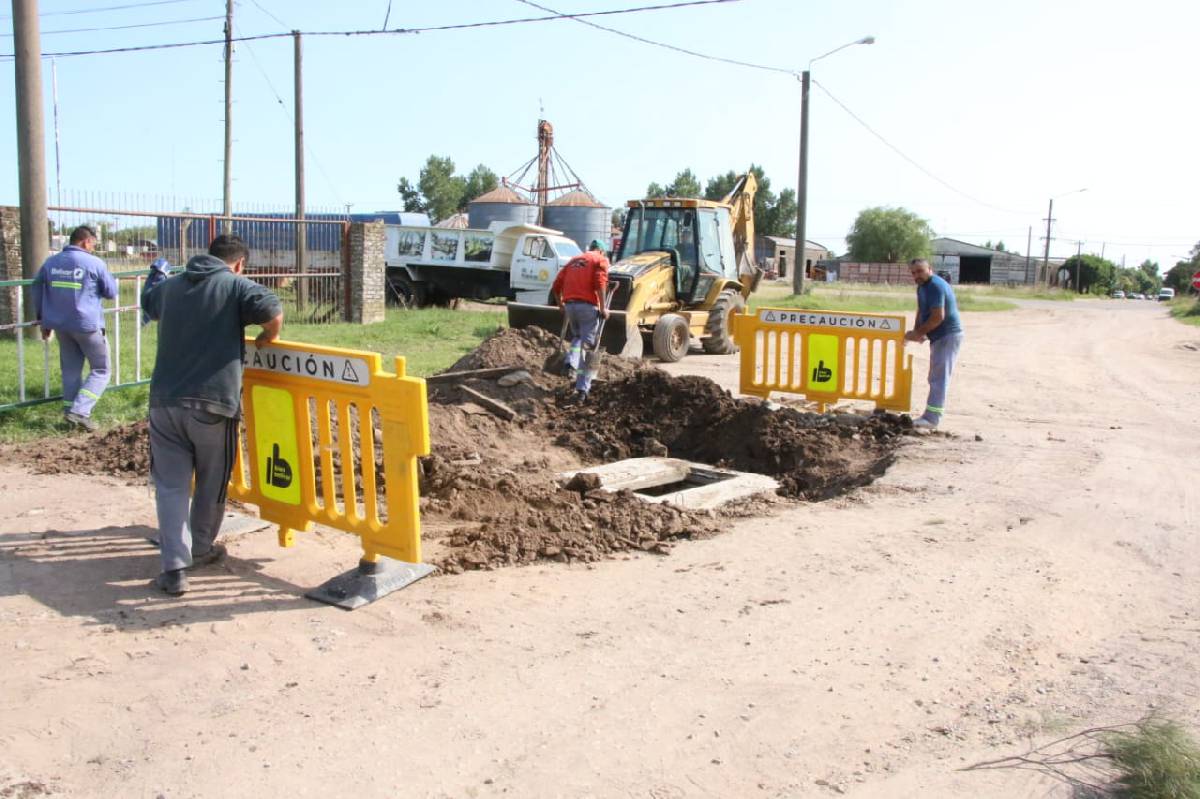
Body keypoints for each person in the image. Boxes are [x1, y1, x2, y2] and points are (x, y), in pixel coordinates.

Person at [141, 234, 283, 596]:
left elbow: (148, 303)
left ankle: (173, 568)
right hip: (212, 405)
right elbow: (273, 310)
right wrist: (269, 335)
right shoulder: (235, 285)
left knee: (171, 486)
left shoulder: (171, 287)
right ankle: (201, 548)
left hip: (164, 402)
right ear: (238, 264)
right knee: (211, 480)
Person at [30, 225, 117, 432]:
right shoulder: (94, 263)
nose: (93, 248)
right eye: (93, 244)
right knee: (101, 369)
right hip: (87, 326)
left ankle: (69, 415)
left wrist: (43, 319)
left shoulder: (51, 263)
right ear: (86, 242)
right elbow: (111, 292)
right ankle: (80, 411)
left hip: (61, 326)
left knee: (70, 371)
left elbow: (36, 288)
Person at [904, 258, 964, 430]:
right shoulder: (922, 287)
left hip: (948, 335)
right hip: (939, 336)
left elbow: (938, 317)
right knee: (935, 376)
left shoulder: (936, 286)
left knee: (939, 377)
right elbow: (922, 310)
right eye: (913, 272)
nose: (917, 275)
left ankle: (932, 419)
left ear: (930, 269)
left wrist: (918, 333)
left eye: (920, 271)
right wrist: (917, 331)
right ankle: (931, 417)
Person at [550, 239, 610, 403]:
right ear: (602, 251)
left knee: (577, 337)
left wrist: (560, 304)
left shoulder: (573, 260)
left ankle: (570, 363)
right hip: (587, 308)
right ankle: (583, 389)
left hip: (571, 308)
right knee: (589, 349)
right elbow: (599, 282)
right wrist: (604, 308)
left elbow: (556, 285)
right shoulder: (600, 259)